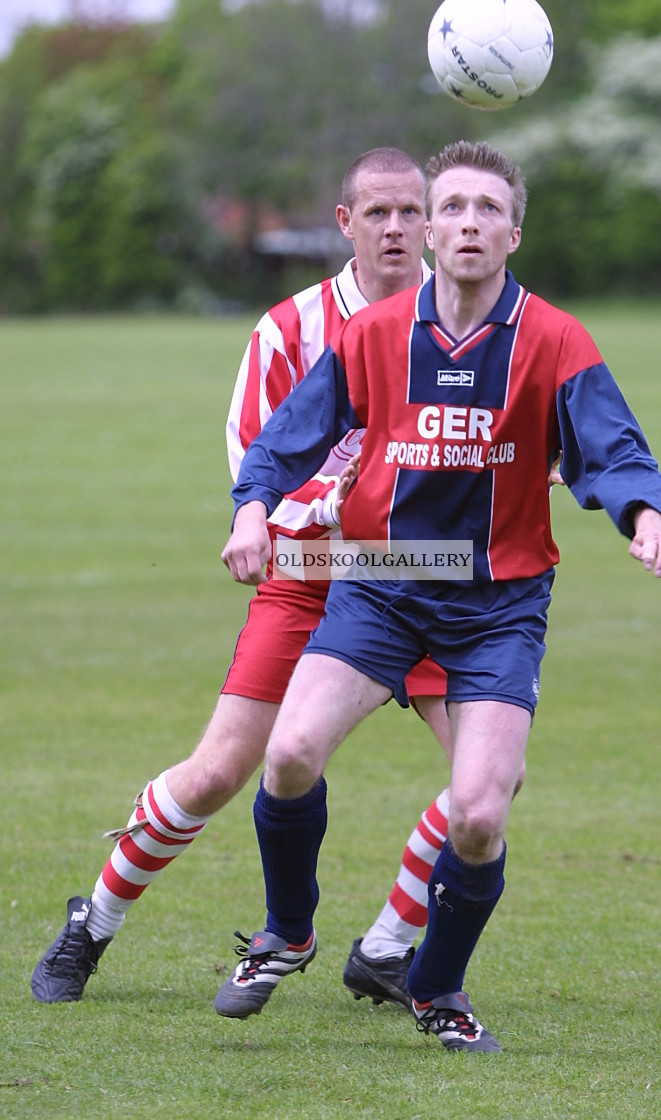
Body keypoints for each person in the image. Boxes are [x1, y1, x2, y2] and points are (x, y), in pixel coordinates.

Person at [217, 140, 661, 1054]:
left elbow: (615, 448)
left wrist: (644, 518)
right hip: (384, 586)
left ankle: (435, 984)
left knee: (478, 812)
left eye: (488, 208)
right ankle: (289, 931)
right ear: (429, 230)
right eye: (454, 207)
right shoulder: (374, 335)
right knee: (288, 755)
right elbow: (287, 437)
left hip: (497, 604)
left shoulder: (554, 339)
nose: (468, 222)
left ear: (514, 232)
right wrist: (252, 510)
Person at [31, 148, 466, 1007]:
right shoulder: (290, 328)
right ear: (343, 223)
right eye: (375, 213)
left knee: (486, 778)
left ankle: (387, 944)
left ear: (432, 220)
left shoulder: (465, 321)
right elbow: (258, 460)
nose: (395, 229)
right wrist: (325, 507)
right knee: (220, 768)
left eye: (409, 212)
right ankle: (94, 925)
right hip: (310, 574)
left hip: (422, 579)